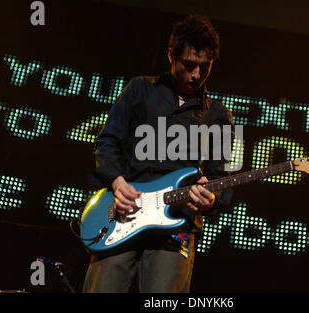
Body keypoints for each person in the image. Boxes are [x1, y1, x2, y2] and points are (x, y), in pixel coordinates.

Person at [83, 15, 234, 293]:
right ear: (170, 55)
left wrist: (209, 198)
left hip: (175, 228)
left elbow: (218, 178)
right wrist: (118, 184)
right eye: (189, 65)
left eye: (205, 66)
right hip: (122, 215)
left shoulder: (217, 116)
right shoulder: (139, 89)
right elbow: (106, 142)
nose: (197, 75)